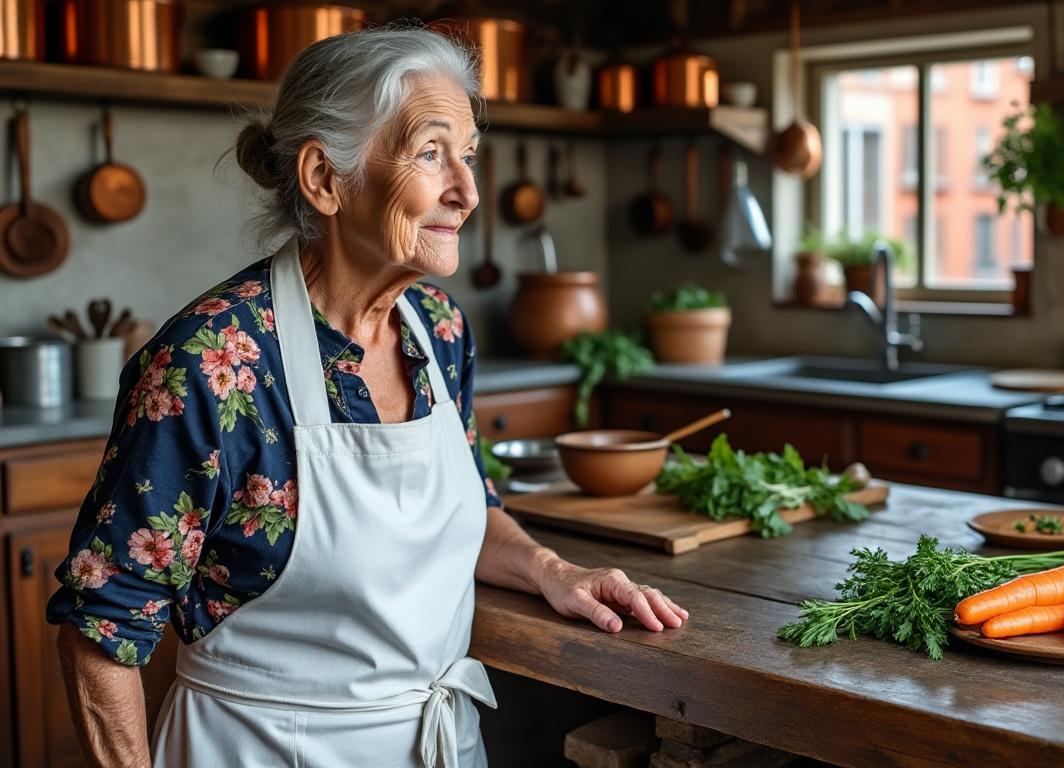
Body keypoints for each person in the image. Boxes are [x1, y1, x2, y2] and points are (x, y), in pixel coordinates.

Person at [47, 27, 687, 768]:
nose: (468, 190)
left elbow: (469, 507)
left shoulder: (439, 330)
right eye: (430, 152)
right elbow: (100, 628)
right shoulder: (211, 363)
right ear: (325, 178)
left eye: (469, 155)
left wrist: (554, 570)